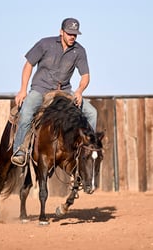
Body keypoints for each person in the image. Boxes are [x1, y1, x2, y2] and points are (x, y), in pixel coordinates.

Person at [11, 17, 97, 166]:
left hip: (64, 92)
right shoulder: (45, 44)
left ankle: (87, 150)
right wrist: (23, 90)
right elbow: (28, 65)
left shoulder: (79, 51)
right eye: (69, 33)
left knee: (92, 113)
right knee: (26, 112)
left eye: (75, 34)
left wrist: (79, 91)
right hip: (41, 89)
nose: (72, 37)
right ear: (61, 32)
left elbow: (85, 76)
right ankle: (20, 150)